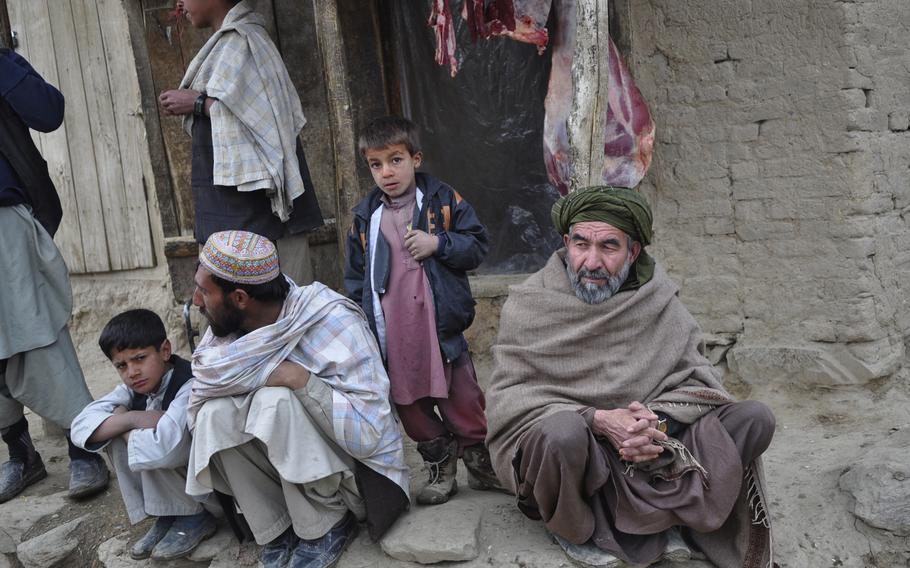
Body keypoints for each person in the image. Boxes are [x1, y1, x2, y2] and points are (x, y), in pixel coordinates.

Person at [485, 186, 776, 568]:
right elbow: (511, 400)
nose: (591, 261)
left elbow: (697, 381)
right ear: (564, 243)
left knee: (754, 418)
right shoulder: (530, 304)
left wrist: (654, 424)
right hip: (582, 455)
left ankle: (672, 517)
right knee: (561, 433)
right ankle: (574, 527)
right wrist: (599, 420)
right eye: (580, 244)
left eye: (609, 246)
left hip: (656, 449)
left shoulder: (658, 302)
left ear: (633, 251)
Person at [186, 230, 409, 568]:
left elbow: (371, 433)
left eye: (204, 291)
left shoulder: (330, 319)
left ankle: (326, 524)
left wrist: (298, 379)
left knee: (274, 402)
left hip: (353, 476)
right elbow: (205, 389)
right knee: (213, 414)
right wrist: (274, 374)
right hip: (288, 474)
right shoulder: (230, 337)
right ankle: (277, 528)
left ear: (241, 297)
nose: (196, 301)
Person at [344, 116, 502, 505]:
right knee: (408, 403)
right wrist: (360, 324)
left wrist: (439, 244)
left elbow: (478, 245)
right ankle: (440, 463)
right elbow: (354, 277)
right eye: (376, 164)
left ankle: (481, 464)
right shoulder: (365, 218)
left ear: (416, 158)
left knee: (463, 396)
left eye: (395, 160)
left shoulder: (444, 200)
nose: (387, 172)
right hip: (392, 331)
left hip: (439, 328)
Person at [0, 47, 109, 502]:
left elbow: (48, 113)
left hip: (4, 221)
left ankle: (83, 448)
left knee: (37, 331)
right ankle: (21, 455)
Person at [159, 0, 323, 284]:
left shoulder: (247, 43)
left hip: (263, 217)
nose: (179, 3)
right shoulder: (225, 46)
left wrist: (198, 103)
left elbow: (266, 126)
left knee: (276, 310)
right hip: (228, 211)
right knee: (230, 314)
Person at [70, 310, 216, 561]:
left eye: (140, 358)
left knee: (134, 437)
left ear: (165, 351)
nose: (132, 372)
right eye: (121, 365)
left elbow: (163, 450)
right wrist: (131, 419)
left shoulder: (189, 384)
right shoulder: (136, 387)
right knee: (110, 431)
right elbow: (80, 426)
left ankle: (194, 516)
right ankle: (168, 514)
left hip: (208, 492)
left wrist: (122, 425)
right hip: (173, 480)